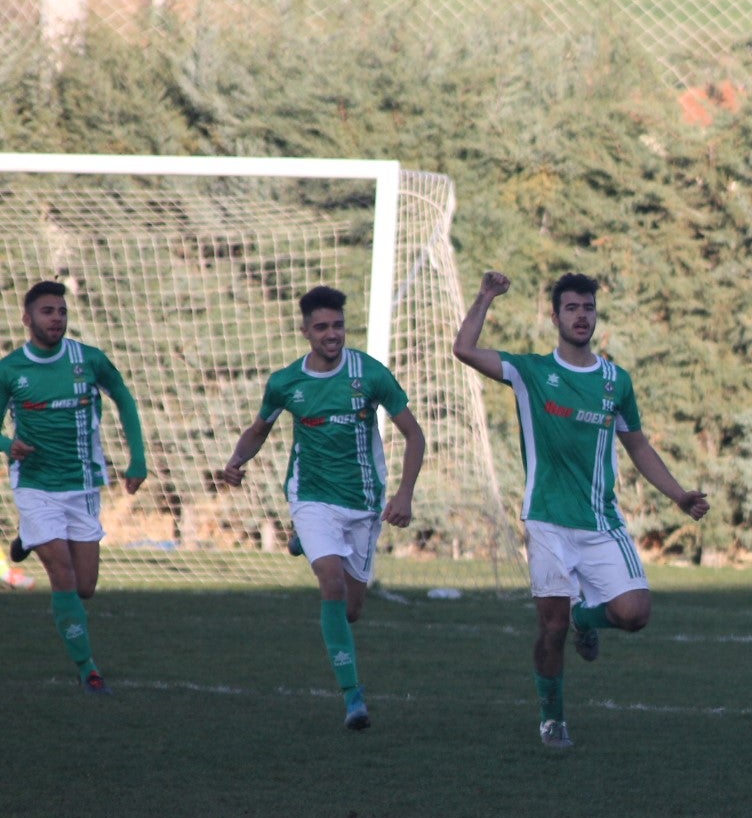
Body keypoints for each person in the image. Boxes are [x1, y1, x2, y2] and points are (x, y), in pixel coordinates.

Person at [452, 270, 709, 750]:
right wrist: (486, 296)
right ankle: (552, 718)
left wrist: (677, 495)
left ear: (596, 315)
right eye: (571, 308)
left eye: (588, 307)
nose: (581, 315)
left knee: (635, 614)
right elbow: (464, 350)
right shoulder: (530, 372)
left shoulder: (615, 381)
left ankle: (584, 621)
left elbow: (638, 445)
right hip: (547, 521)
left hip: (601, 521)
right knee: (548, 627)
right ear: (555, 317)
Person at [221, 285, 425, 731]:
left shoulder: (370, 374)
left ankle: (306, 544)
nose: (332, 334)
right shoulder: (286, 383)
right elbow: (259, 430)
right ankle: (354, 698)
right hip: (311, 496)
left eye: (337, 326)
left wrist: (404, 493)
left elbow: (414, 434)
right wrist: (237, 460)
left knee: (351, 610)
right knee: (330, 585)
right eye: (322, 327)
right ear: (305, 331)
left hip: (364, 503)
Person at [0, 280, 146, 692]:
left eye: (61, 311)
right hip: (35, 485)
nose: (57, 318)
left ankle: (28, 539)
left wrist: (137, 458)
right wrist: (10, 444)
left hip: (82, 485)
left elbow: (124, 398)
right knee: (62, 575)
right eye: (48, 312)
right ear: (27, 319)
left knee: (85, 587)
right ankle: (89, 670)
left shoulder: (89, 360)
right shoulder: (10, 370)